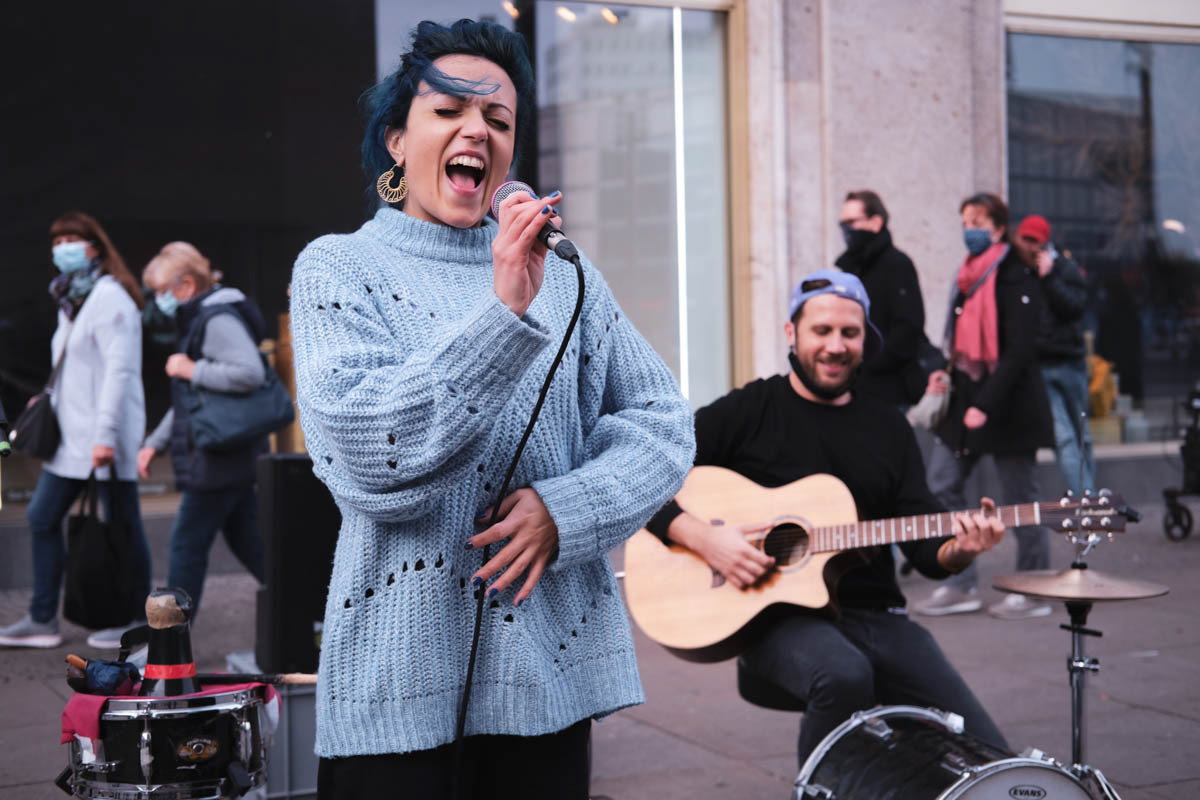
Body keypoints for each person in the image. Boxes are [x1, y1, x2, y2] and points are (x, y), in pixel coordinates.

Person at [287, 19, 693, 799]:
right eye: (449, 111)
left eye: (499, 120)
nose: (477, 128)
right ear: (397, 141)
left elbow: (663, 421)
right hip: (393, 694)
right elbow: (371, 459)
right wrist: (503, 311)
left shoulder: (570, 280)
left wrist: (567, 511)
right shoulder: (339, 267)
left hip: (547, 687)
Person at [645, 268, 1009, 766]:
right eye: (822, 330)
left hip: (877, 617)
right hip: (774, 619)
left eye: (850, 333)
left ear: (865, 340)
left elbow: (926, 543)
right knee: (842, 673)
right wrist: (705, 540)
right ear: (792, 333)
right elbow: (642, 475)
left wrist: (958, 549)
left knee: (986, 751)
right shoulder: (748, 411)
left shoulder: (888, 428)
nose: (836, 346)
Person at [0, 212, 151, 650]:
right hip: (71, 439)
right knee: (41, 516)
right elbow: (78, 367)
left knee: (122, 529)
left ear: (96, 247)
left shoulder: (111, 298)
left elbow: (119, 373)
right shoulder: (73, 300)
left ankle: (138, 626)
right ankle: (42, 618)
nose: (62, 246)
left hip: (104, 439)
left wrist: (105, 435)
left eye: (72, 238)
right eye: (57, 240)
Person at [913, 193, 1055, 620]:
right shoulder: (967, 275)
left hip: (1006, 404)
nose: (968, 229)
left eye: (977, 221)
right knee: (942, 481)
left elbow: (1020, 351)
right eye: (964, 220)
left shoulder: (1016, 275)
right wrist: (944, 371)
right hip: (966, 398)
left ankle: (1031, 588)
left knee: (1018, 500)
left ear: (997, 227)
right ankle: (960, 583)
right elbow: (957, 339)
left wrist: (987, 404)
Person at [136, 242, 267, 618]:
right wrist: (155, 443)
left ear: (188, 285)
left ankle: (173, 644)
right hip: (227, 451)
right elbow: (192, 400)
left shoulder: (216, 320)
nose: (159, 300)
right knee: (252, 545)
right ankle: (310, 615)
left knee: (185, 546)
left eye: (163, 292)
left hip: (218, 455)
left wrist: (191, 369)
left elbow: (249, 373)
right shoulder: (203, 317)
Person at [1013, 214, 1096, 499]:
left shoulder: (1064, 268)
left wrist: (1049, 278)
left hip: (1071, 364)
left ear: (1045, 242)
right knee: (1063, 437)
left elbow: (1075, 307)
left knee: (1082, 435)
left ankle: (1088, 498)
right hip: (1042, 367)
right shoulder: (1020, 272)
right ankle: (1082, 498)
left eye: (1034, 241)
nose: (1029, 246)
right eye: (1024, 239)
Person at [834, 189, 927, 406]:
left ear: (875, 222)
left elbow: (908, 329)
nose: (846, 230)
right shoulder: (851, 268)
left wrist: (867, 363)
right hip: (856, 388)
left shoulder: (896, 264)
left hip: (890, 390)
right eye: (842, 223)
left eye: (851, 222)